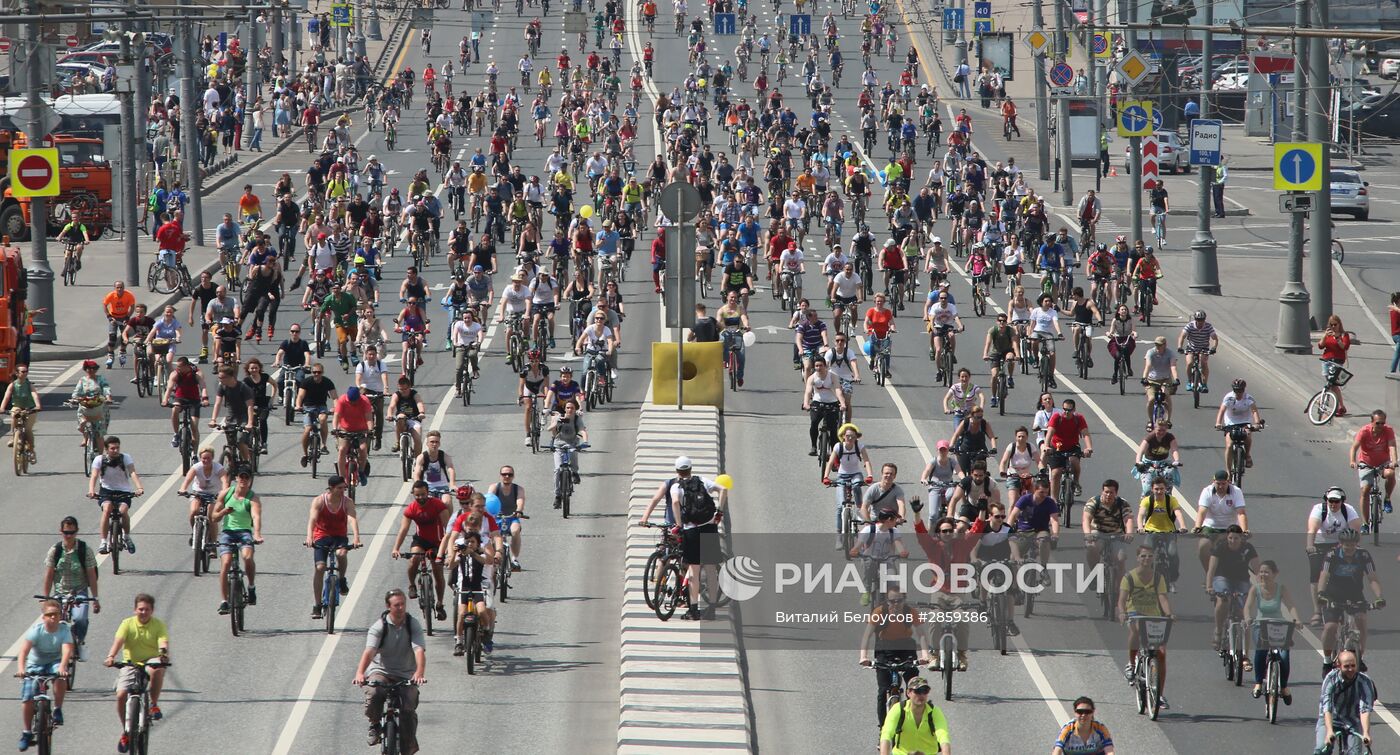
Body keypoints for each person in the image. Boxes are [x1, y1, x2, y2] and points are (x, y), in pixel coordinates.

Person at [353, 589, 426, 751]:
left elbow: (419, 651)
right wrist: (360, 673)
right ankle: (374, 724)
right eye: (396, 605)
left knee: (408, 709)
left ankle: (408, 746)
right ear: (388, 606)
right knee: (374, 693)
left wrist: (419, 673)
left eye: (403, 604)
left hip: (405, 674)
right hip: (382, 671)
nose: (400, 608)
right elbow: (370, 652)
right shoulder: (379, 627)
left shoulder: (412, 624)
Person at [104, 593, 169, 747]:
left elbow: (163, 642)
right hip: (131, 662)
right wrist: (111, 656)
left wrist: (163, 654)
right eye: (140, 609)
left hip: (151, 659)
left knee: (157, 669)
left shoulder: (158, 625)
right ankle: (126, 731)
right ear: (135, 610)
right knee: (121, 695)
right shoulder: (127, 623)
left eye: (147, 609)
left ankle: (153, 704)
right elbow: (118, 641)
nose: (143, 612)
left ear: (152, 611)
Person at [668, 456, 728, 621]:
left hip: (691, 530)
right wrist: (719, 512)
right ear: (691, 469)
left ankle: (693, 610)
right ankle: (713, 609)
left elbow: (674, 503)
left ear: (677, 471)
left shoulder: (676, 486)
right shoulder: (702, 481)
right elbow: (723, 489)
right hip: (709, 527)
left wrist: (679, 525)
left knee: (693, 571)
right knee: (710, 570)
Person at [858, 585, 930, 721]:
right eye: (892, 601)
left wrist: (925, 655)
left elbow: (921, 635)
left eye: (899, 601)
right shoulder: (879, 612)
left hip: (906, 647)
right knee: (882, 690)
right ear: (887, 601)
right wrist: (863, 657)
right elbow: (867, 636)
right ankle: (883, 730)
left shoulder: (910, 612)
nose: (895, 604)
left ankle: (916, 721)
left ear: (904, 600)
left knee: (914, 686)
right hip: (884, 648)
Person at [1317, 528, 1383, 673]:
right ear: (1340, 544)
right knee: (1330, 628)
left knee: (1361, 621)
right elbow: (1324, 575)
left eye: (1353, 545)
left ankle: (1360, 657)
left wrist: (1379, 597)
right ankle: (1327, 660)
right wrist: (1321, 593)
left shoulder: (1363, 555)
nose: (1350, 548)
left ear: (1357, 544)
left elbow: (1372, 577)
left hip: (1355, 595)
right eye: (1346, 545)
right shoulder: (1331, 555)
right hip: (1333, 595)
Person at [1117, 545, 1173, 710]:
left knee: (1161, 654)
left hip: (1153, 615)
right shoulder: (1129, 577)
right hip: (1135, 614)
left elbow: (1162, 598)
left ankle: (1159, 694)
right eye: (1143, 556)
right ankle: (1131, 664)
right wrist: (1122, 612)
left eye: (1149, 556)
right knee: (1135, 630)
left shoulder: (1158, 577)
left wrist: (1169, 614)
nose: (1146, 559)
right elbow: (1122, 599)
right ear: (1137, 558)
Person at [16, 598, 75, 750]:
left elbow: (67, 649)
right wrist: (22, 668)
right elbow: (23, 651)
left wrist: (63, 666)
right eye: (49, 615)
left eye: (56, 614)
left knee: (60, 677)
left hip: (55, 661)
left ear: (60, 616)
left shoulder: (64, 630)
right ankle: (27, 732)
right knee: (28, 696)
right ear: (44, 617)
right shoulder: (36, 630)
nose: (53, 617)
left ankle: (57, 709)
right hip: (35, 663)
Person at [306, 475, 363, 620]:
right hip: (321, 536)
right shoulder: (319, 501)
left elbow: (352, 518)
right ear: (331, 488)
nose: (343, 490)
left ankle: (342, 579)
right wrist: (309, 537)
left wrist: (356, 537)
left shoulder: (347, 502)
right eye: (340, 488)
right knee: (320, 568)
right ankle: (317, 605)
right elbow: (312, 519)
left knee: (341, 554)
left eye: (344, 488)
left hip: (339, 536)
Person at [391, 480, 450, 621]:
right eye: (417, 495)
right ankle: (412, 585)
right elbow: (404, 529)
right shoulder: (411, 509)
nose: (421, 497)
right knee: (415, 558)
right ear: (413, 494)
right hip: (421, 540)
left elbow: (448, 528)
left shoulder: (438, 505)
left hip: (437, 541)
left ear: (428, 493)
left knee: (437, 571)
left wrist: (446, 549)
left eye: (423, 494)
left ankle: (440, 604)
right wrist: (396, 548)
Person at [1246, 559, 1301, 704]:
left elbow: (1291, 606)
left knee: (1284, 654)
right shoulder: (1255, 589)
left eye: (1267, 572)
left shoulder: (1281, 588)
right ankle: (1258, 683)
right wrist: (1247, 618)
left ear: (1275, 574)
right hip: (1260, 624)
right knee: (1261, 650)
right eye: (1261, 571)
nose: (1264, 574)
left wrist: (1297, 620)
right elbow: (1247, 607)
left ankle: (1284, 687)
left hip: (1279, 625)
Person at [211, 468, 263, 614]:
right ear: (236, 478)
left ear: (250, 480)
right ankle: (224, 601)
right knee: (226, 563)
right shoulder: (226, 493)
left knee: (247, 557)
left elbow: (256, 517)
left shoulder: (252, 498)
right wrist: (223, 512)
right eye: (241, 477)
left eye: (247, 477)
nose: (243, 480)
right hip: (227, 533)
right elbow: (214, 517)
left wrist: (257, 534)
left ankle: (251, 587)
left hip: (244, 532)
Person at [1204, 525, 1259, 650]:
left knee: (1243, 610)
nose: (1232, 541)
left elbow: (1257, 569)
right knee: (1224, 600)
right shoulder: (1221, 547)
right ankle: (1218, 630)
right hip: (1222, 578)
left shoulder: (1248, 548)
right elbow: (1211, 569)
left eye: (1236, 538)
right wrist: (1209, 586)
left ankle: (1243, 651)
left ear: (1241, 538)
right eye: (1230, 538)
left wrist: (1262, 585)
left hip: (1241, 580)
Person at [88, 436, 144, 555]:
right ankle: (103, 541)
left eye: (117, 448)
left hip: (123, 491)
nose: (115, 451)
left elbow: (132, 472)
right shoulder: (99, 459)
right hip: (106, 491)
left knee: (123, 511)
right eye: (112, 448)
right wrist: (91, 490)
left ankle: (127, 537)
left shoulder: (125, 458)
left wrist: (139, 487)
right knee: (107, 509)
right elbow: (94, 476)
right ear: (106, 449)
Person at [1316, 650, 1375, 755]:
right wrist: (1329, 731)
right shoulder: (1330, 679)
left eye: (1353, 665)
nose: (1351, 669)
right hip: (1331, 719)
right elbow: (1327, 707)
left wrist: (1366, 733)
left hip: (1352, 721)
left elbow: (1365, 709)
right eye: (1346, 666)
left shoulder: (1364, 681)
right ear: (1339, 666)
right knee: (1321, 749)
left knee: (1354, 753)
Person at [878, 673, 951, 755]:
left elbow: (943, 736)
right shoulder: (898, 709)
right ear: (908, 692)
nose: (922, 695)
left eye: (925, 691)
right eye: (918, 691)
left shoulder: (934, 711)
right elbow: (886, 734)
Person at [1349, 409, 1396, 530]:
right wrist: (1353, 461)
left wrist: (1394, 461)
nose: (1380, 426)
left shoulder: (1388, 430)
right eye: (1377, 423)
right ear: (1372, 422)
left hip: (1383, 462)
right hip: (1366, 463)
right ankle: (1365, 523)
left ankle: (1387, 499)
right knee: (1365, 491)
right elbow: (1354, 448)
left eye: (1382, 423)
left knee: (1390, 473)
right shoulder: (1364, 431)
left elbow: (1392, 446)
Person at [1194, 470, 1249, 570]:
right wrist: (1197, 527)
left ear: (1228, 482)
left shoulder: (1236, 491)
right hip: (1211, 527)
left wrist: (1245, 530)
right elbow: (1202, 512)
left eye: (1223, 484)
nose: (1220, 486)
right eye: (1218, 484)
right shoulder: (1207, 491)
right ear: (1213, 482)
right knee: (1203, 546)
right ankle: (1209, 575)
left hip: (1230, 527)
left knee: (1238, 548)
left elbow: (1241, 513)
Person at [1137, 476, 1186, 587]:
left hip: (1169, 531)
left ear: (1165, 489)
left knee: (1172, 553)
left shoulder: (1171, 500)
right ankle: (1145, 577)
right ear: (1152, 489)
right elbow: (1140, 515)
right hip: (1151, 531)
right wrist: (1140, 527)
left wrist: (1182, 526)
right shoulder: (1147, 500)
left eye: (1161, 489)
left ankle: (1173, 577)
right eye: (1156, 489)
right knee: (1146, 555)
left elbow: (1178, 513)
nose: (1159, 491)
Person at [1083, 480, 1135, 574]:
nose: (1108, 495)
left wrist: (1129, 533)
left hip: (1117, 534)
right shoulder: (1094, 501)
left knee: (1121, 559)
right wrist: (1087, 534)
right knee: (1091, 547)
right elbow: (1086, 518)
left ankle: (1119, 586)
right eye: (1106, 492)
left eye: (1111, 492)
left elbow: (1128, 519)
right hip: (1098, 533)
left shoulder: (1122, 503)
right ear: (1102, 491)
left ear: (1116, 493)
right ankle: (1094, 573)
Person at [1215, 378, 1263, 472]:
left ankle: (1247, 455)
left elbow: (1254, 411)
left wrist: (1257, 423)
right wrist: (1218, 423)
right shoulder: (1228, 398)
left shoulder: (1248, 398)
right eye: (1236, 390)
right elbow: (1222, 410)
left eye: (1240, 391)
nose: (1238, 393)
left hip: (1245, 421)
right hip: (1231, 423)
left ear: (1244, 390)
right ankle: (1229, 471)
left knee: (1248, 436)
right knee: (1229, 445)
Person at [1318, 314, 1354, 417]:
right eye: (1331, 324)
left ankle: (1336, 406)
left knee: (1333, 384)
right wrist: (1325, 336)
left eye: (1335, 324)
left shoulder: (1344, 335)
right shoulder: (1328, 334)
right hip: (1326, 360)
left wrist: (1337, 338)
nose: (1333, 327)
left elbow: (1344, 347)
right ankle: (1329, 404)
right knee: (1330, 384)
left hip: (1337, 362)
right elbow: (1320, 346)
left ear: (1339, 324)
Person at [1141, 336, 1179, 427]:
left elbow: (1173, 367)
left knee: (1166, 395)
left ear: (1165, 345)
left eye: (1160, 345)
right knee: (1151, 399)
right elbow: (1148, 365)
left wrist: (1176, 379)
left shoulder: (1170, 353)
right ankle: (1150, 421)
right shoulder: (1151, 352)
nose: (1157, 347)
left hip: (1165, 379)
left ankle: (1168, 419)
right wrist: (1144, 378)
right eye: (1156, 345)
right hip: (1152, 380)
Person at [1177, 310, 1218, 393]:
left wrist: (1214, 348)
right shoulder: (1190, 325)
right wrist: (1180, 347)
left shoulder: (1208, 326)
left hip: (1204, 348)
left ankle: (1204, 384)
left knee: (1204, 363)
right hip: (1191, 348)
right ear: (1195, 319)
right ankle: (1189, 382)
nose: (1200, 322)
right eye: (1198, 320)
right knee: (1189, 363)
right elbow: (1182, 336)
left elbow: (1215, 338)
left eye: (1202, 320)